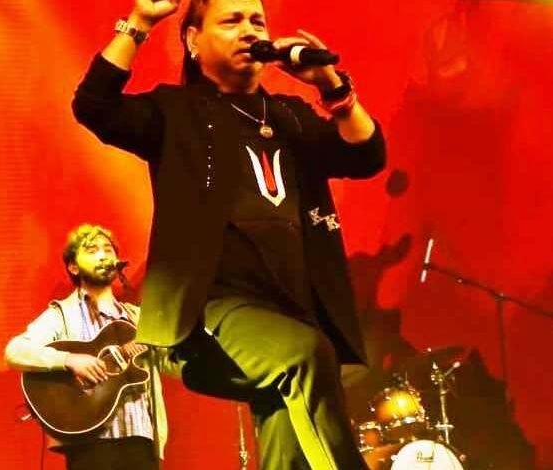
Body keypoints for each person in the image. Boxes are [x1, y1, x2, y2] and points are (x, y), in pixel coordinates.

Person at [72, 0, 386, 468]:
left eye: (257, 21)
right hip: (210, 314)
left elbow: (366, 155)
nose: (249, 30)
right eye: (232, 20)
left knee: (287, 411)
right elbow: (94, 106)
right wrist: (139, 23)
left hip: (290, 314)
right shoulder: (175, 112)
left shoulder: (290, 115)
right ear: (193, 40)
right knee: (306, 355)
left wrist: (331, 86)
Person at [5, 224, 174, 470]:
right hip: (88, 444)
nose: (103, 255)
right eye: (92, 250)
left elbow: (170, 363)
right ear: (73, 267)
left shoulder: (139, 319)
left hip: (141, 441)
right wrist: (69, 360)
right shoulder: (62, 314)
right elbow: (15, 351)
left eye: (108, 249)